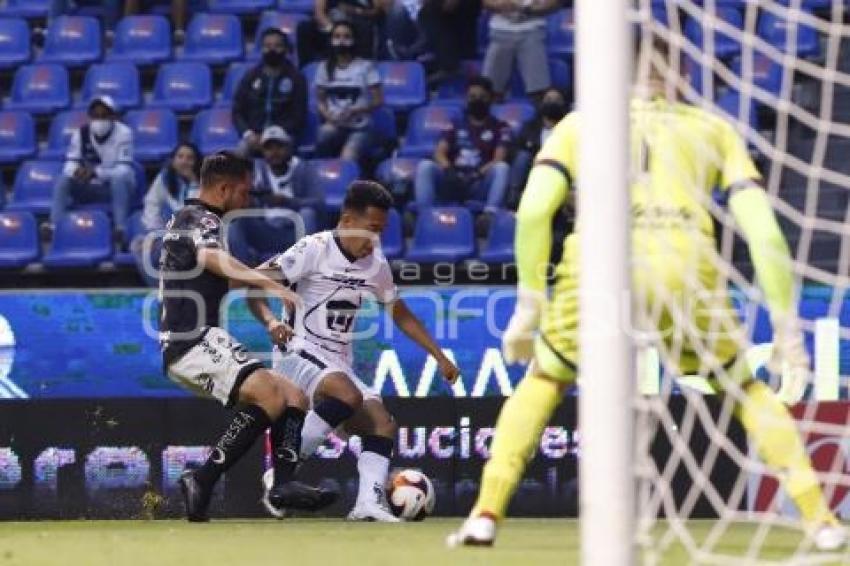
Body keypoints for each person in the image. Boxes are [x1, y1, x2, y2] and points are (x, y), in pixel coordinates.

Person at [446, 38, 847, 550]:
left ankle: (485, 514)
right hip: (685, 264)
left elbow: (531, 212)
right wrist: (787, 330)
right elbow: (765, 235)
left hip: (598, 259)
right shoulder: (712, 128)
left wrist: (530, 304)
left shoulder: (578, 126)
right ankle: (821, 520)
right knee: (745, 389)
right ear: (679, 73)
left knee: (545, 378)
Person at [247, 180, 460, 522]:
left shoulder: (375, 265)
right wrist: (272, 321)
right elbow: (254, 284)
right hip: (296, 352)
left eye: (382, 231)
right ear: (347, 221)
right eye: (372, 229)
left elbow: (400, 313)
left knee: (382, 424)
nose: (376, 239)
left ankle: (368, 505)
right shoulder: (312, 249)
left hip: (335, 364)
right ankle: (281, 475)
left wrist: (439, 355)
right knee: (346, 393)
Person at [159, 151, 337, 522]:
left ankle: (282, 484)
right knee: (271, 394)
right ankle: (203, 478)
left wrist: (272, 296)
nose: (247, 199)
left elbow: (226, 274)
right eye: (244, 191)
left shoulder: (189, 220)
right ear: (224, 188)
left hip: (195, 341)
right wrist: (270, 284)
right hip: (191, 340)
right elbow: (213, 261)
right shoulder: (201, 219)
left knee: (294, 395)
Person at [414, 76, 511, 223]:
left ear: (490, 99)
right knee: (425, 166)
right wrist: (449, 170)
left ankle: (489, 217)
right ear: (466, 99)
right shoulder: (455, 123)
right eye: (472, 96)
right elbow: (439, 152)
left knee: (502, 168)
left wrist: (477, 174)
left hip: (480, 181)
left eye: (482, 97)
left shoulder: (501, 127)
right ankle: (425, 216)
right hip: (453, 180)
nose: (477, 100)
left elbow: (498, 159)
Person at [47, 95, 136, 245]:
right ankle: (54, 226)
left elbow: (124, 169)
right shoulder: (80, 134)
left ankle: (120, 228)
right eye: (95, 116)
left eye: (104, 115)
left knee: (119, 179)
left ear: (113, 116)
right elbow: (70, 163)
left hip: (115, 189)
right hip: (89, 187)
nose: (100, 120)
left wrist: (96, 172)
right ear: (89, 117)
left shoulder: (124, 133)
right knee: (63, 179)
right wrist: (76, 172)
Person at [227, 126, 320, 267]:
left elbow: (318, 203)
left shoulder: (303, 168)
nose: (274, 152)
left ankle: (305, 270)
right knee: (234, 221)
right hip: (266, 231)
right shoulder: (257, 169)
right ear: (262, 151)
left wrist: (288, 202)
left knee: (308, 214)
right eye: (269, 148)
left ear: (288, 148)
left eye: (279, 147)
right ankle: (245, 273)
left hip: (295, 232)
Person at [314, 21, 384, 166]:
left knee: (347, 159)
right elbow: (320, 100)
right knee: (321, 135)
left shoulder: (366, 67)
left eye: (346, 37)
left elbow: (378, 100)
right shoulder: (324, 68)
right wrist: (329, 117)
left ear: (354, 40)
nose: (341, 41)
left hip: (360, 127)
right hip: (335, 123)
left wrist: (356, 110)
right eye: (337, 36)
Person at [132, 143, 201, 286]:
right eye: (180, 157)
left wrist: (194, 182)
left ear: (196, 162)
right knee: (137, 245)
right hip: (168, 235)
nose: (184, 161)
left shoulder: (204, 181)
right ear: (173, 160)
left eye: (189, 158)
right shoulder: (164, 178)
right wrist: (152, 234)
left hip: (196, 237)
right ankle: (160, 290)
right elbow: (152, 204)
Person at [233, 28, 307, 157]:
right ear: (261, 49)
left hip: (283, 135)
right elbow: (237, 111)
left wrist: (273, 135)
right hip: (254, 135)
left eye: (277, 46)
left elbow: (298, 116)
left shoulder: (296, 78)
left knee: (280, 154)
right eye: (268, 46)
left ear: (285, 49)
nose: (272, 50)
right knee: (238, 155)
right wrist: (248, 134)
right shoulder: (250, 76)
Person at [481, 0, 558, 101]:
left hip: (532, 31)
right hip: (499, 32)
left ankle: (540, 114)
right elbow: (486, 2)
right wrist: (501, 5)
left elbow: (554, 4)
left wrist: (530, 9)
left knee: (538, 91)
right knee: (490, 89)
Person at [508, 87, 568, 208]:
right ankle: (514, 198)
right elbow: (515, 151)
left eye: (557, 100)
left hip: (559, 171)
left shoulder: (569, 128)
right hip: (533, 170)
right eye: (549, 99)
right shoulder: (530, 128)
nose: (552, 103)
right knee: (522, 157)